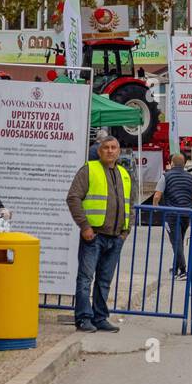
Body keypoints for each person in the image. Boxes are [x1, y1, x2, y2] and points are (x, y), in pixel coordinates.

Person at [66, 136, 131, 333]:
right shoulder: (89, 169)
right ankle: (84, 318)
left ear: (119, 151)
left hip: (115, 236)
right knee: (85, 278)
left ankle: (100, 317)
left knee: (104, 280)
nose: (110, 151)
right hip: (94, 235)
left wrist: (126, 230)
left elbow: (130, 203)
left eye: (114, 147)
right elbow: (73, 198)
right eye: (106, 148)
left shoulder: (123, 173)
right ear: (99, 150)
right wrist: (84, 226)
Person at [151, 153, 192, 279]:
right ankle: (175, 268)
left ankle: (183, 270)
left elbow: (157, 195)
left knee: (176, 242)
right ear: (184, 164)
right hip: (186, 214)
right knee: (178, 241)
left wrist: (155, 206)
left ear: (172, 163)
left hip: (171, 215)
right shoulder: (191, 178)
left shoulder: (165, 177)